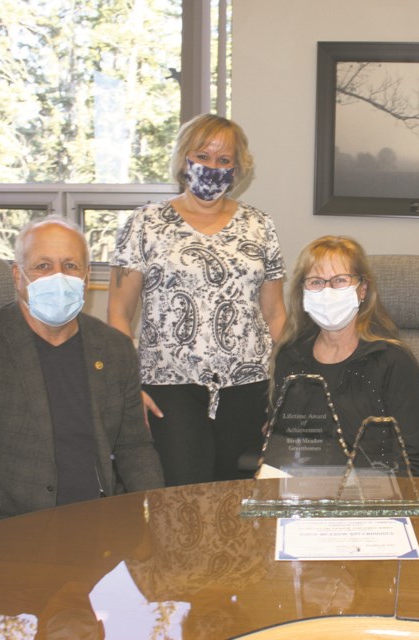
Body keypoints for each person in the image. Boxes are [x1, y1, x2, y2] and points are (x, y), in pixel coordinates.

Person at [0, 217, 164, 536]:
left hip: (97, 531)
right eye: (42, 266)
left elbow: (135, 449)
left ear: (87, 276)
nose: (58, 277)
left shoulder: (114, 348)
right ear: (17, 276)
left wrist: (153, 521)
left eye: (70, 266)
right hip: (5, 535)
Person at [108, 113, 286, 486]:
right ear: (184, 159)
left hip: (248, 386)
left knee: (236, 501)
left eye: (224, 160)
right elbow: (119, 314)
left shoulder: (261, 225)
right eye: (203, 156)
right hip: (168, 388)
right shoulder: (145, 224)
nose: (212, 168)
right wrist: (128, 389)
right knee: (180, 504)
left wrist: (282, 390)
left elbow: (275, 314)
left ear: (238, 169)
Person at [270, 235, 419, 478]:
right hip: (302, 500)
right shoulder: (291, 357)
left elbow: (418, 463)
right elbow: (281, 450)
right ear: (303, 293)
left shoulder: (391, 362)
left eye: (339, 280)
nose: (327, 291)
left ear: (362, 289)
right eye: (316, 282)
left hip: (374, 503)